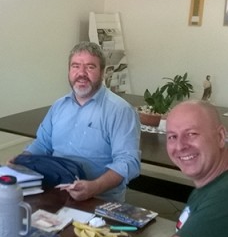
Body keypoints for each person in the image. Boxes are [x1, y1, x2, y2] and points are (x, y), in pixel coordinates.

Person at [14, 41, 141, 202]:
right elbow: (42, 145)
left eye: (90, 67)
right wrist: (20, 161)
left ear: (102, 72)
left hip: (99, 199)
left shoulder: (120, 110)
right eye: (75, 66)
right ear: (69, 71)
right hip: (55, 192)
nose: (81, 73)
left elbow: (128, 162)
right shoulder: (59, 106)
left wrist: (94, 186)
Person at [132, 100, 228, 237]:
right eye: (172, 137)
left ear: (220, 136)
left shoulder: (224, 195)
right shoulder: (211, 185)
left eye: (191, 134)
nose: (180, 146)